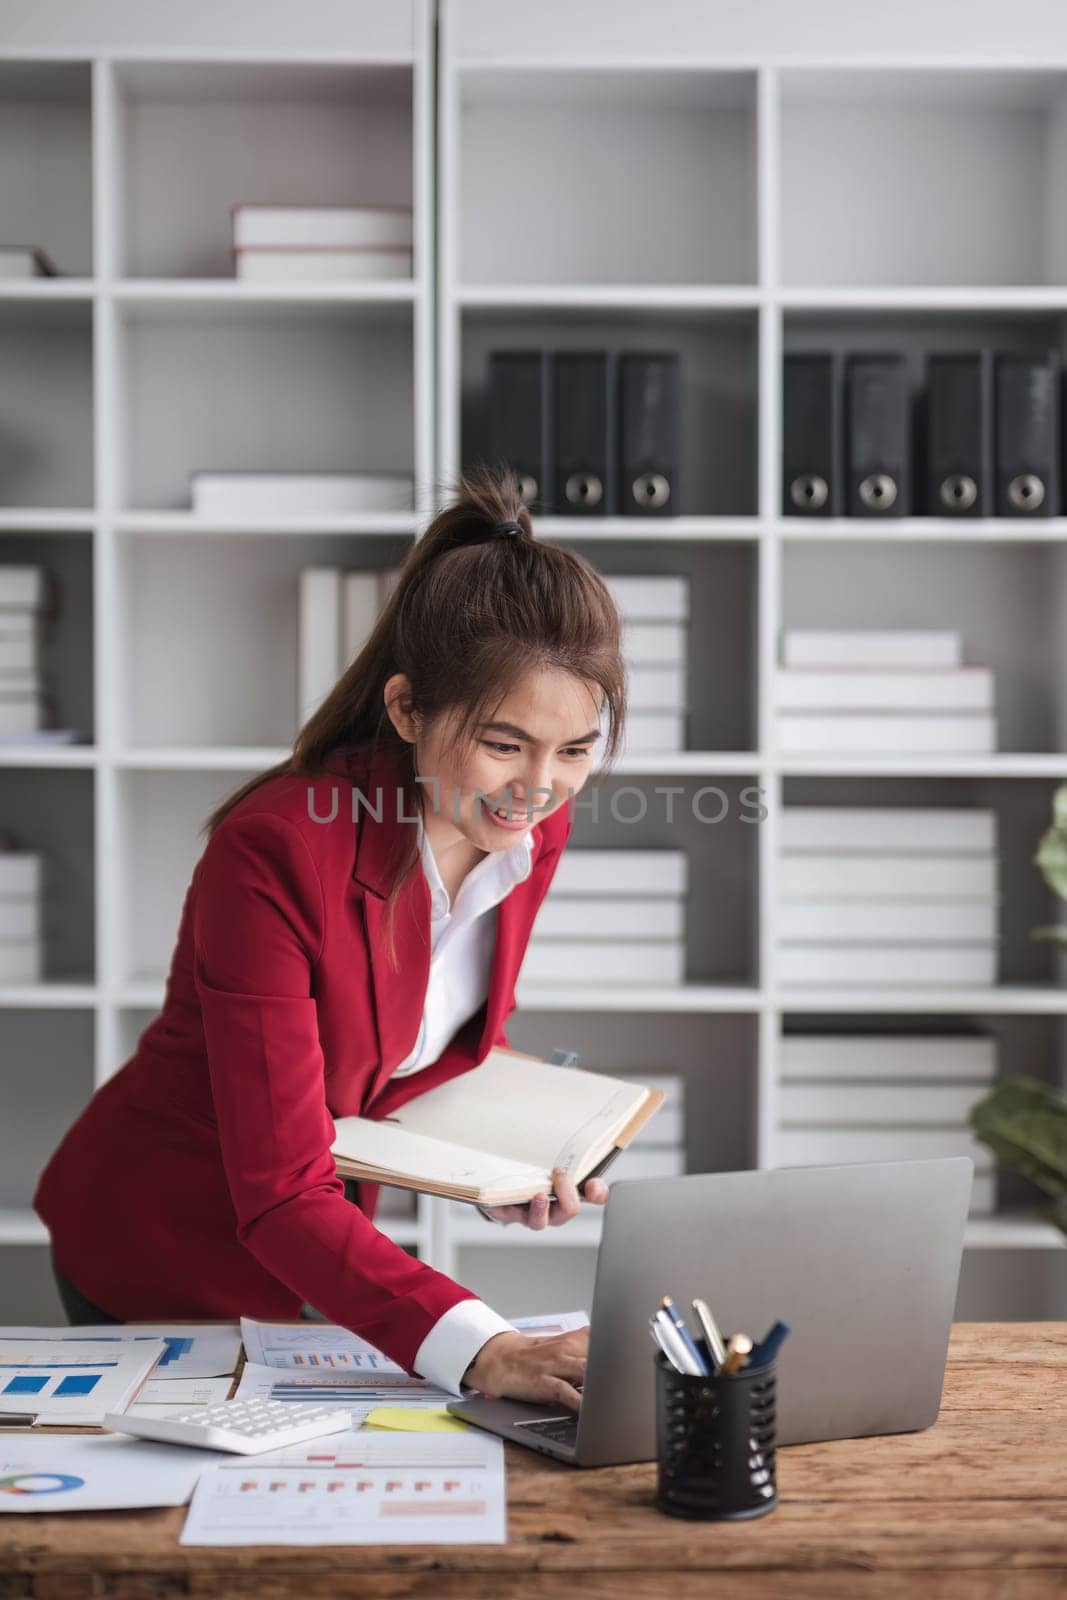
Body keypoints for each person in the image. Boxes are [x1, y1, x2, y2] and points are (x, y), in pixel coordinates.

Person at [33, 467, 627, 1413]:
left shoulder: (525, 826)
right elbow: (276, 1188)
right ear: (406, 711)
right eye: (505, 745)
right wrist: (488, 1350)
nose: (540, 787)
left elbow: (417, 1049)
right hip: (162, 1244)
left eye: (576, 749)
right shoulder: (275, 851)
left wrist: (507, 1161)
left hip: (316, 1263)